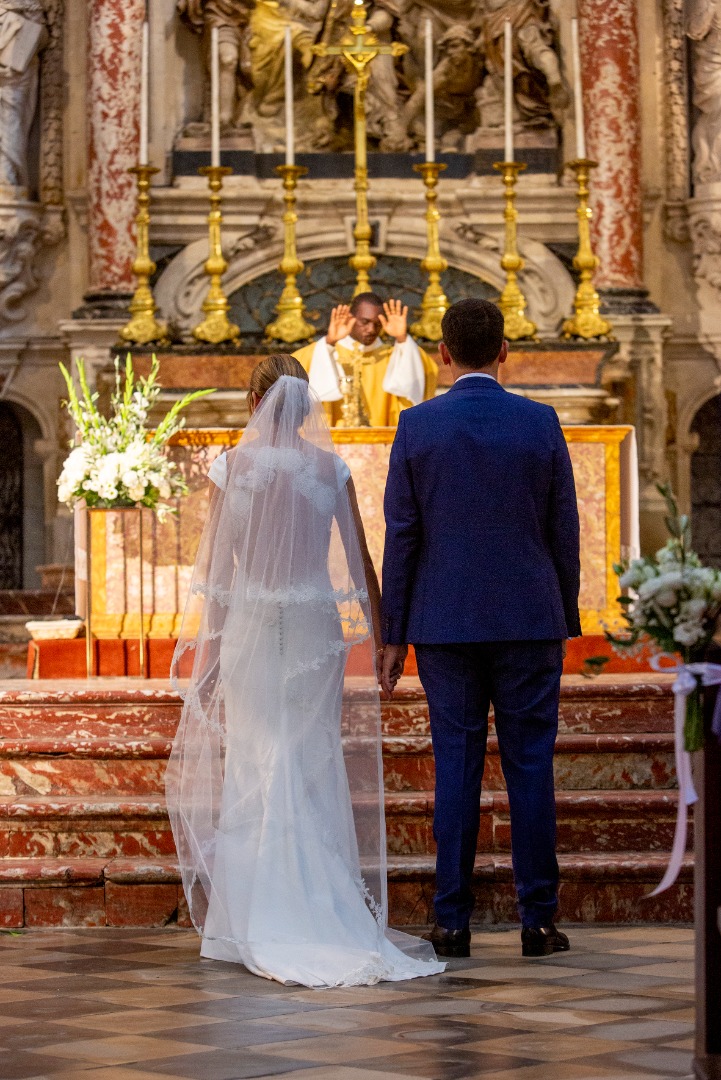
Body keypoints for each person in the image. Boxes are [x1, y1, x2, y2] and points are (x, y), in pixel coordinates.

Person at [166, 353, 445, 987]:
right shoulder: (332, 468)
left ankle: (254, 919)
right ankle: (320, 910)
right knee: (306, 757)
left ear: (255, 399)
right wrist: (385, 639)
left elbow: (217, 570)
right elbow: (360, 559)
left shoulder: (231, 467)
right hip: (316, 627)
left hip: (255, 625)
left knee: (258, 760)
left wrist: (205, 653)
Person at [381, 298, 581, 959]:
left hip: (443, 622)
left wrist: (391, 634)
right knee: (530, 768)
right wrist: (563, 614)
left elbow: (403, 536)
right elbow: (562, 530)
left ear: (441, 353)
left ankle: (452, 923)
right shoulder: (538, 421)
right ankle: (538, 922)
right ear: (504, 352)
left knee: (456, 767)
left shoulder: (416, 426)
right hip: (528, 617)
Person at [294, 293, 438, 427]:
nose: (371, 329)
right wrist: (329, 342)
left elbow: (427, 369)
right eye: (365, 322)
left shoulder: (393, 356)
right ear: (350, 318)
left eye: (377, 324)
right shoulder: (326, 352)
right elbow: (295, 365)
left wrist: (402, 338)